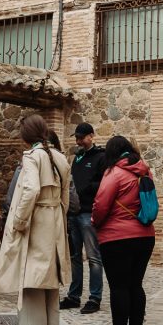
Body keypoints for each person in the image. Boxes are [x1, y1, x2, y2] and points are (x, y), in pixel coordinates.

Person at [0, 115, 71, 325]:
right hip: (55, 228)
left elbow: (29, 191)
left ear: (25, 135)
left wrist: (17, 222)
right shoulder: (60, 157)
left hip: (37, 228)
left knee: (32, 293)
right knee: (50, 295)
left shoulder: (32, 157)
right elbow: (65, 200)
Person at [92, 135, 156, 325]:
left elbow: (101, 204)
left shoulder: (114, 173)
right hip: (145, 235)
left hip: (117, 238)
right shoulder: (144, 170)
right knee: (135, 284)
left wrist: (94, 221)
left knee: (119, 286)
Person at [60, 122, 106, 314]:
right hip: (74, 213)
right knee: (74, 256)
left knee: (94, 257)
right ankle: (74, 295)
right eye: (77, 138)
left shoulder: (100, 157)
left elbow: (102, 183)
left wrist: (85, 189)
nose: (78, 141)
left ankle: (94, 298)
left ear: (91, 136)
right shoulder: (77, 157)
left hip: (88, 213)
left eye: (81, 137)